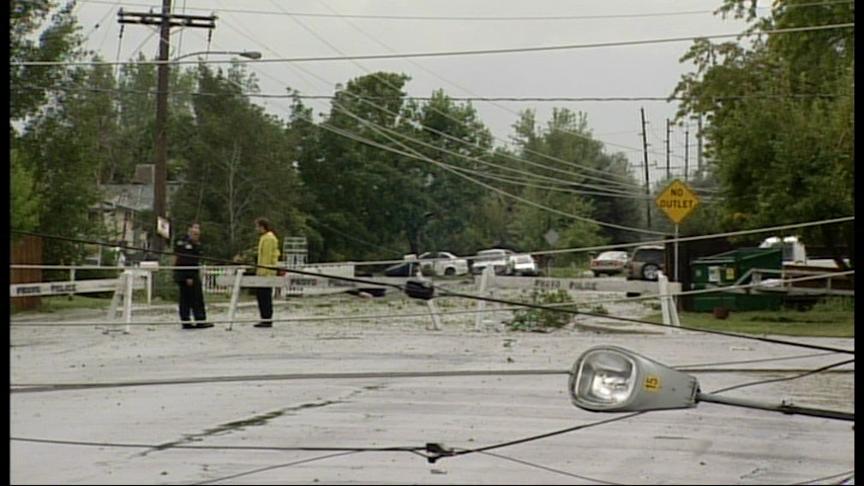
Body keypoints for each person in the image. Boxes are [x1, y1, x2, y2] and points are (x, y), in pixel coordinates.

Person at [173, 223, 212, 330]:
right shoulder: (185, 245)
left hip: (190, 274)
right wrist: (188, 277)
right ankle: (192, 320)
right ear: (189, 231)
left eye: (198, 233)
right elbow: (185, 261)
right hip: (188, 275)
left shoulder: (195, 244)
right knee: (190, 299)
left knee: (193, 298)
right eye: (194, 233)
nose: (197, 235)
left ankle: (194, 320)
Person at [253, 217, 280, 328]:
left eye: (257, 226)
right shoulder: (265, 238)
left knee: (265, 297)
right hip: (264, 271)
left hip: (266, 272)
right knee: (261, 296)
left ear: (262, 226)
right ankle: (264, 317)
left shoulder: (268, 238)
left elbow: (266, 257)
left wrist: (262, 272)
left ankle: (266, 319)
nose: (256, 229)